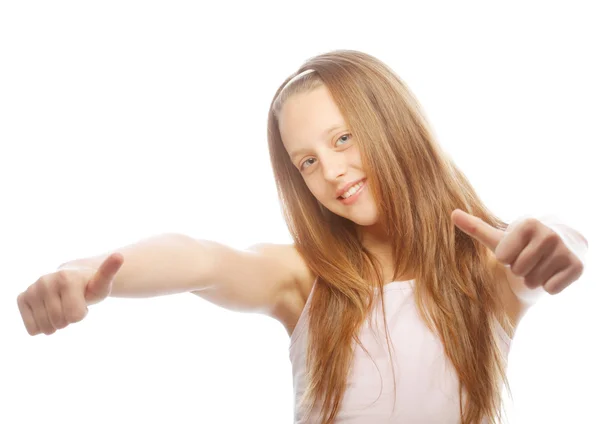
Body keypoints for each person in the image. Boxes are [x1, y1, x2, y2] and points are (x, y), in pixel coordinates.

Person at [16, 50, 588, 424]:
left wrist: (557, 242)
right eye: (306, 161)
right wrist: (84, 271)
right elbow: (202, 258)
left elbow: (558, 244)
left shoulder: (486, 273)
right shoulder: (304, 279)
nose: (331, 172)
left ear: (393, 125)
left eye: (342, 140)